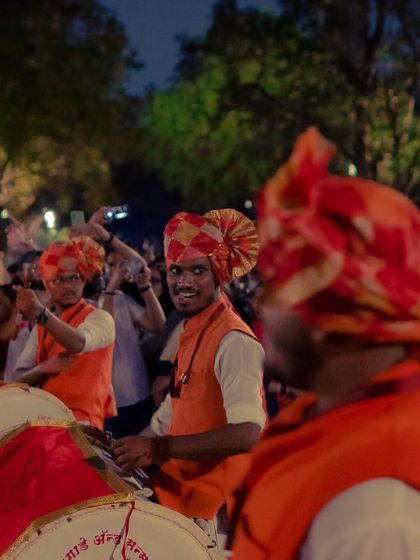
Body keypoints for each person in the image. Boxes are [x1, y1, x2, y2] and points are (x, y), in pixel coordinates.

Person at [230, 127, 420, 559]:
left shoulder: (377, 511)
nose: (260, 303)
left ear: (328, 313)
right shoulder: (332, 416)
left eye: (275, 287)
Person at [112, 208, 266, 524]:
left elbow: (249, 433)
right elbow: (173, 410)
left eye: (198, 271)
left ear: (218, 274)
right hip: (182, 500)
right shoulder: (194, 327)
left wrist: (158, 449)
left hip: (216, 515)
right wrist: (124, 451)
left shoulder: (233, 340)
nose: (184, 282)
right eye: (175, 271)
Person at [14, 236, 115, 430]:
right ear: (46, 284)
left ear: (84, 280)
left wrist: (40, 313)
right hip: (43, 423)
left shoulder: (100, 318)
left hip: (84, 427)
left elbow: (79, 344)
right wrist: (43, 368)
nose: (68, 286)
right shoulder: (40, 327)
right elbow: (17, 379)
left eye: (74, 278)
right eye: (58, 279)